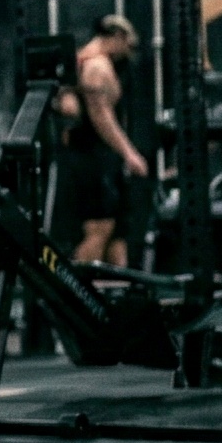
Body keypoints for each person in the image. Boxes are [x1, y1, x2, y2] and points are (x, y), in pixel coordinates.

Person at [63, 15, 149, 265]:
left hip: (100, 157)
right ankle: (79, 294)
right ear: (117, 38)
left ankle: (117, 294)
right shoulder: (95, 67)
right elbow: (101, 116)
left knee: (117, 231)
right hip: (93, 157)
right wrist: (129, 153)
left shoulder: (82, 62)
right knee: (99, 229)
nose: (128, 52)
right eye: (127, 45)